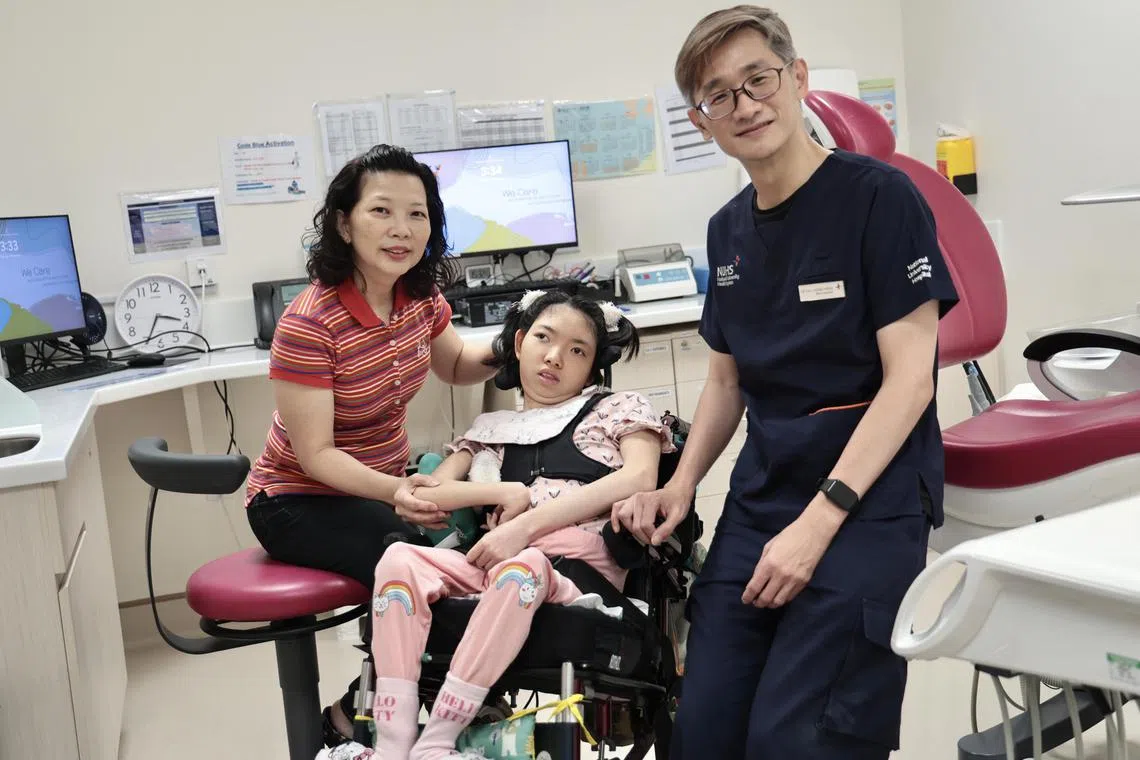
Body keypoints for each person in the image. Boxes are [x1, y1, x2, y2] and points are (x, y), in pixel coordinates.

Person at [610, 7, 960, 760]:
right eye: (719, 96)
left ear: (796, 79)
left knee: (798, 743)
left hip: (870, 499)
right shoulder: (727, 232)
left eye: (758, 79)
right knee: (701, 734)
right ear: (702, 122)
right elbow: (726, 380)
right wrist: (682, 483)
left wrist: (819, 522)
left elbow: (911, 383)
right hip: (765, 496)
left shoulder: (879, 199)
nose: (745, 105)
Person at [243, 144, 498, 744]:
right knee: (414, 567)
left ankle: (415, 708)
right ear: (343, 222)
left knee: (469, 557)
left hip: (379, 491)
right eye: (382, 211)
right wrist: (397, 491)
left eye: (417, 214)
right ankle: (374, 716)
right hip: (295, 499)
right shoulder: (309, 321)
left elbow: (457, 363)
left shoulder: (417, 296)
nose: (401, 230)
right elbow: (317, 456)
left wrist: (518, 345)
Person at [364, 289, 673, 760]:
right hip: (495, 565)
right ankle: (393, 742)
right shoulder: (492, 428)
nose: (555, 358)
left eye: (577, 351)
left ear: (593, 368)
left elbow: (640, 476)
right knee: (398, 558)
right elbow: (429, 493)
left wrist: (524, 528)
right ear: (520, 342)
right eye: (544, 339)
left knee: (523, 564)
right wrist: (504, 493)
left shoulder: (618, 410)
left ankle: (439, 738)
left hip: (577, 575)